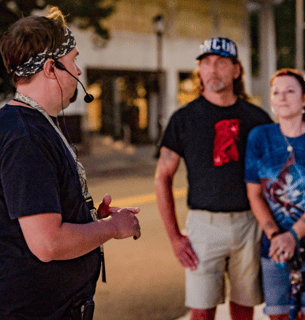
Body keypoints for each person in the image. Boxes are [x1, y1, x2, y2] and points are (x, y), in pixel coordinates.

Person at [0, 7, 141, 320]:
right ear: (51, 68)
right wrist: (112, 228)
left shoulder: (31, 124)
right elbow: (47, 243)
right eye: (73, 60)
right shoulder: (26, 137)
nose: (78, 71)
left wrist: (89, 219)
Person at [154, 37, 272, 320]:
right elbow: (162, 178)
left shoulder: (257, 118)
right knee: (201, 312)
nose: (212, 69)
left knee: (244, 309)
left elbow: (273, 179)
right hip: (203, 227)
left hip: (249, 223)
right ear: (199, 71)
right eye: (205, 63)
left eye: (221, 62)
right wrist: (174, 237)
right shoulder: (184, 118)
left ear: (237, 70)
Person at [245, 68, 305, 320]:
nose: (282, 97)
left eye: (290, 91)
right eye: (276, 92)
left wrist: (293, 236)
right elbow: (255, 194)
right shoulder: (259, 137)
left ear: (304, 98)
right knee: (278, 315)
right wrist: (276, 235)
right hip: (275, 246)